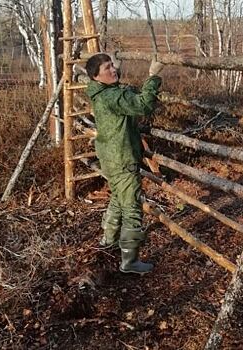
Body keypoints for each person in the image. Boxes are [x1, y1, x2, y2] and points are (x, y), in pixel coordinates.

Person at [85, 53, 164, 275]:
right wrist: (153, 76)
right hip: (121, 158)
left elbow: (127, 99)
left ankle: (108, 238)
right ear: (96, 76)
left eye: (113, 65)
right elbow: (143, 106)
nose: (113, 70)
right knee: (132, 207)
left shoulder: (101, 93)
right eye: (107, 68)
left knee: (119, 198)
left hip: (110, 158)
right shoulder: (111, 97)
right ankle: (130, 261)